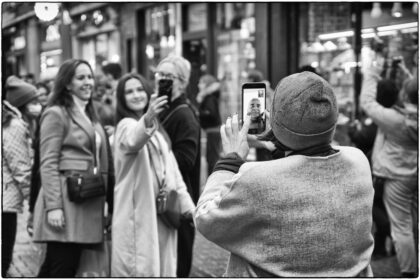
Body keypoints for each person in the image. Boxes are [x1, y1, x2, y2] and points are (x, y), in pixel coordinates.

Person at [195, 71, 374, 277]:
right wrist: (281, 141)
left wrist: (230, 161)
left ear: (276, 121)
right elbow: (306, 163)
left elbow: (205, 218)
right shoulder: (359, 161)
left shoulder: (257, 179)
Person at [32, 59, 114, 277]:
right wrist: (54, 206)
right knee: (62, 266)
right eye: (81, 77)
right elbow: (47, 162)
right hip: (66, 200)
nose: (88, 82)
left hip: (87, 198)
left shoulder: (90, 113)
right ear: (67, 84)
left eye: (89, 77)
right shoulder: (56, 113)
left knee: (59, 265)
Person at [111, 73, 195, 276]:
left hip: (162, 215)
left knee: (161, 268)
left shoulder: (158, 131)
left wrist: (190, 210)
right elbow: (133, 140)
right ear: (121, 99)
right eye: (129, 91)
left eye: (140, 89)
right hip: (137, 216)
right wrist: (148, 117)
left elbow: (174, 175)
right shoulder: (125, 126)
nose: (136, 95)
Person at [360, 64, 418, 277]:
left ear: (405, 94)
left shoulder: (396, 120)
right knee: (414, 221)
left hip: (397, 174)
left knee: (401, 226)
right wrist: (409, 71)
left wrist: (372, 73)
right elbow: (414, 90)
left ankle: (409, 272)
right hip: (415, 172)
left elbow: (367, 102)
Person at [156, 55, 201, 277]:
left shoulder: (183, 114)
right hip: (166, 201)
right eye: (159, 75)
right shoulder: (162, 109)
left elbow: (186, 160)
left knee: (177, 266)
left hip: (178, 204)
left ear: (182, 82)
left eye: (168, 76)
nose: (162, 80)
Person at [348, 79, 399, 259]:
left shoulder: (381, 117)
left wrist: (352, 129)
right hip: (393, 169)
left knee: (375, 205)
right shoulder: (396, 115)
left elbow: (363, 137)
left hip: (380, 170)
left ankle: (387, 243)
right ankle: (387, 245)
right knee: (384, 207)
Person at [2, 77, 39, 276]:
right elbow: (21, 168)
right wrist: (32, 201)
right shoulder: (14, 125)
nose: (38, 106)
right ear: (22, 104)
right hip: (6, 200)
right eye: (33, 102)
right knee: (4, 256)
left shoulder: (8, 121)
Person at [196, 74, 222, 175]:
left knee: (212, 159)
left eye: (201, 82)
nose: (199, 85)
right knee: (211, 158)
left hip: (213, 131)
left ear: (206, 84)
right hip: (212, 131)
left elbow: (211, 113)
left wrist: (199, 114)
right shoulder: (209, 97)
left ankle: (213, 180)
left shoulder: (209, 98)